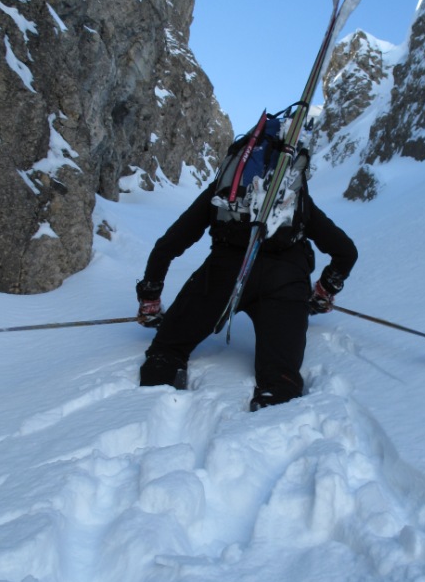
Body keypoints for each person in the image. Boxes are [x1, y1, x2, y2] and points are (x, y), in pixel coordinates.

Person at [135, 123, 358, 411]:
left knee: (167, 349)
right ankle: (272, 423)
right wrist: (323, 291)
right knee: (280, 377)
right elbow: (346, 252)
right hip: (286, 284)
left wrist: (150, 298)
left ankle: (148, 407)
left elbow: (169, 244)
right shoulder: (299, 203)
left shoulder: (224, 191)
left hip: (224, 277)